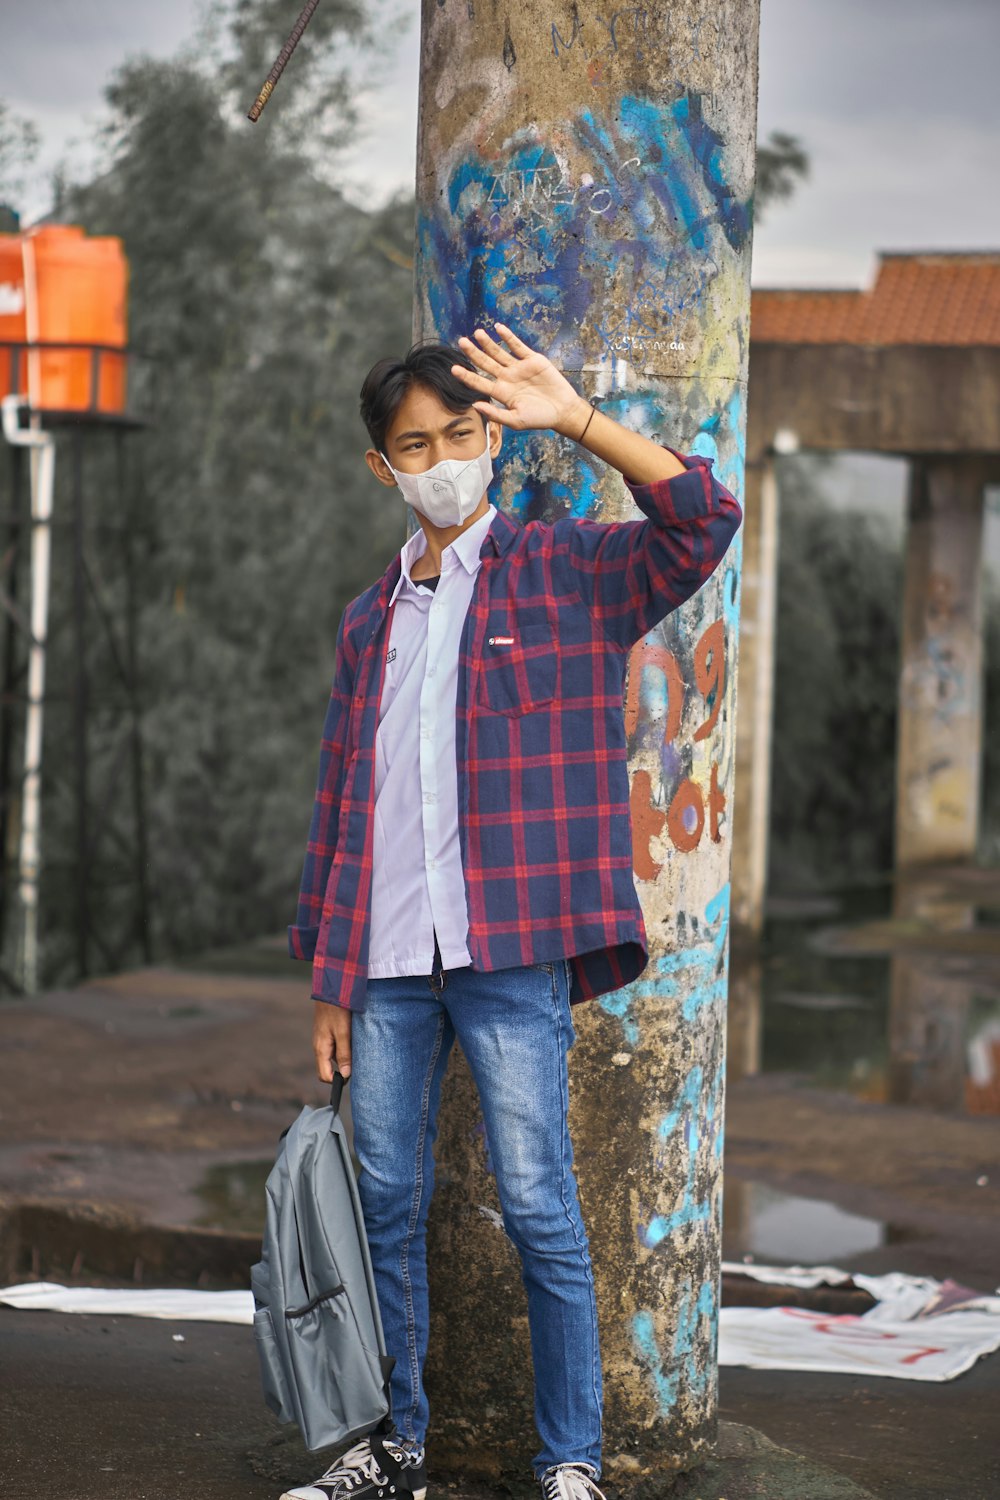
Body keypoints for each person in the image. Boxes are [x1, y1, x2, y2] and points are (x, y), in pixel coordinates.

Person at [283, 324, 742, 1500]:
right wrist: (329, 980)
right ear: (382, 466)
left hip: (512, 952)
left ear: (490, 437)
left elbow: (701, 521)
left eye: (458, 434)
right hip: (384, 962)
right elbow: (347, 805)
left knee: (539, 1205)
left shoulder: (566, 572)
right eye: (412, 445)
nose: (440, 459)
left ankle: (570, 1462)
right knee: (384, 1203)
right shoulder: (363, 620)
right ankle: (391, 1449)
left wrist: (576, 419)